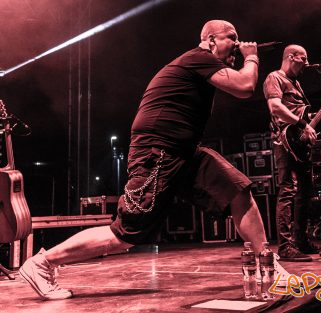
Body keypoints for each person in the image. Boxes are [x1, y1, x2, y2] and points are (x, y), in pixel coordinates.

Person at [20, 20, 270, 300]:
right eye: (231, 38)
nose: (237, 44)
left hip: (185, 151)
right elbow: (245, 85)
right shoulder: (198, 57)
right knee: (124, 235)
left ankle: (268, 266)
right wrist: (252, 56)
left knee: (237, 190)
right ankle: (42, 263)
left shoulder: (203, 64)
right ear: (211, 40)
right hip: (158, 152)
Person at [263, 45, 321, 261]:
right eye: (303, 59)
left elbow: (300, 114)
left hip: (299, 142)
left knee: (305, 191)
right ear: (291, 57)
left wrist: (318, 116)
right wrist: (303, 123)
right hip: (284, 141)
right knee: (287, 190)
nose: (306, 63)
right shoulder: (274, 78)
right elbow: (275, 107)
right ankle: (285, 246)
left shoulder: (296, 84)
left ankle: (301, 241)